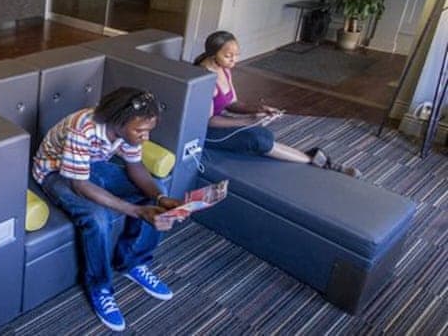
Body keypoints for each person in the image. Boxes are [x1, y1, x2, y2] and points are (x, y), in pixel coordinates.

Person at [32, 87, 180, 332]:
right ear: (118, 122)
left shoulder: (128, 130)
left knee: (157, 189)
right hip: (55, 172)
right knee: (97, 217)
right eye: (140, 131)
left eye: (148, 131)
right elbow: (80, 185)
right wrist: (136, 211)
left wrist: (161, 198)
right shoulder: (82, 129)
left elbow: (135, 167)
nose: (145, 137)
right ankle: (99, 287)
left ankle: (133, 262)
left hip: (91, 165)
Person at [194, 30, 360, 177]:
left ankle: (313, 158)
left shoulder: (224, 69)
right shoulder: (204, 79)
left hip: (217, 124)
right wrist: (247, 121)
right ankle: (320, 163)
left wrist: (258, 109)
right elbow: (208, 121)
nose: (234, 60)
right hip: (203, 134)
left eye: (236, 55)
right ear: (212, 55)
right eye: (228, 56)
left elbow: (233, 103)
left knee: (264, 135)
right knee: (258, 140)